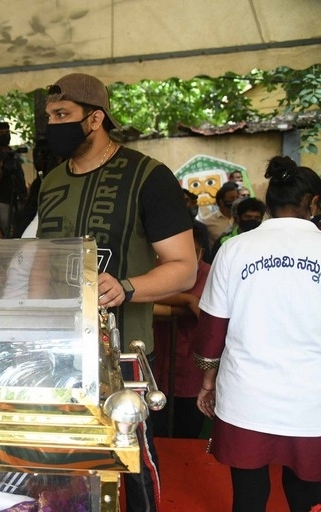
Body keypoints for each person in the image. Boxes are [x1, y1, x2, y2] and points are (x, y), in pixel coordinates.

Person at [35, 72, 197, 512]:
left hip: (123, 352)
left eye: (63, 115)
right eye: (49, 115)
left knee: (134, 461)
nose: (52, 124)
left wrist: (126, 287)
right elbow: (40, 262)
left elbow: (184, 269)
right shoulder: (49, 184)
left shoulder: (148, 176)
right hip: (59, 352)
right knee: (61, 460)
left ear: (95, 118)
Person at [195, 156, 321, 512]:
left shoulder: (235, 249)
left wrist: (208, 381)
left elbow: (213, 326)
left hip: (247, 394)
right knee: (309, 493)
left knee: (248, 493)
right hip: (313, 399)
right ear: (313, 203)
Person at [150, 221, 210, 439]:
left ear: (201, 249)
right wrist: (187, 299)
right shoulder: (156, 270)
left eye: (192, 252)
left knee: (186, 433)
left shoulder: (209, 274)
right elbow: (143, 295)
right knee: (155, 434)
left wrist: (160, 303)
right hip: (157, 369)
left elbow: (203, 308)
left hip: (190, 372)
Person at [0, 122, 27, 237]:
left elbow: (20, 175)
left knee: (21, 228)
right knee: (5, 230)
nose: (5, 135)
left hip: (19, 197)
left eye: (7, 132)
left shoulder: (13, 154)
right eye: (1, 133)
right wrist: (1, 169)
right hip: (2, 199)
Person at [207, 197, 266, 263]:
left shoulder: (266, 241)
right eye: (248, 217)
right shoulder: (224, 241)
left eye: (256, 218)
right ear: (238, 218)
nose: (252, 220)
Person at [199, 182, 239, 246]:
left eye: (237, 198)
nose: (236, 201)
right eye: (232, 198)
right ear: (221, 202)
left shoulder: (241, 219)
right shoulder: (207, 222)